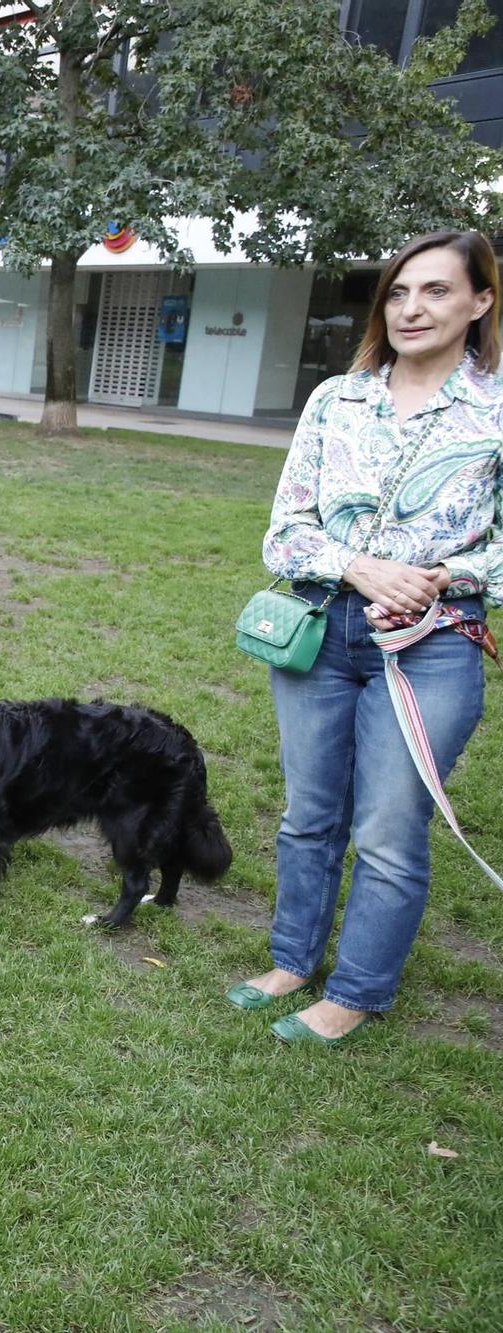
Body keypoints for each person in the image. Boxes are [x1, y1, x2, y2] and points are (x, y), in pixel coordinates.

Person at [233, 229, 501, 1045]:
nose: (413, 308)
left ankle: (356, 991)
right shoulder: (336, 399)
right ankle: (291, 959)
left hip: (436, 642)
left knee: (386, 824)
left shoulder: (494, 409)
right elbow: (285, 533)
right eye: (398, 292)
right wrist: (360, 567)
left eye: (438, 291)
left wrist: (439, 576)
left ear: (481, 301)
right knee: (307, 813)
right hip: (322, 631)